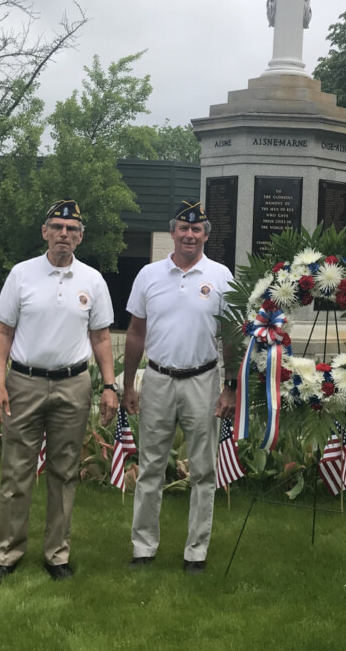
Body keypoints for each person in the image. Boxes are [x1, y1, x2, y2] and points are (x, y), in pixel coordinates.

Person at [0, 199, 119, 587]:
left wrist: (109, 386)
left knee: (64, 473)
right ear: (44, 232)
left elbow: (102, 337)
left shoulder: (92, 280)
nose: (64, 234)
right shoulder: (21, 274)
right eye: (57, 227)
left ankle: (56, 555)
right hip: (23, 383)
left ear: (80, 237)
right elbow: (3, 331)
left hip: (73, 385)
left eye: (71, 229)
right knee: (16, 472)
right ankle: (7, 554)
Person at [122, 200, 235, 574]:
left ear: (206, 234)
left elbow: (231, 336)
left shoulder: (221, 276)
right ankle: (143, 547)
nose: (190, 235)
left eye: (197, 229)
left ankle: (196, 551)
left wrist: (230, 386)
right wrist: (128, 385)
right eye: (183, 229)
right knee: (151, 466)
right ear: (173, 233)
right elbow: (136, 333)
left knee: (203, 470)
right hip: (157, 379)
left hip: (203, 380)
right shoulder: (149, 275)